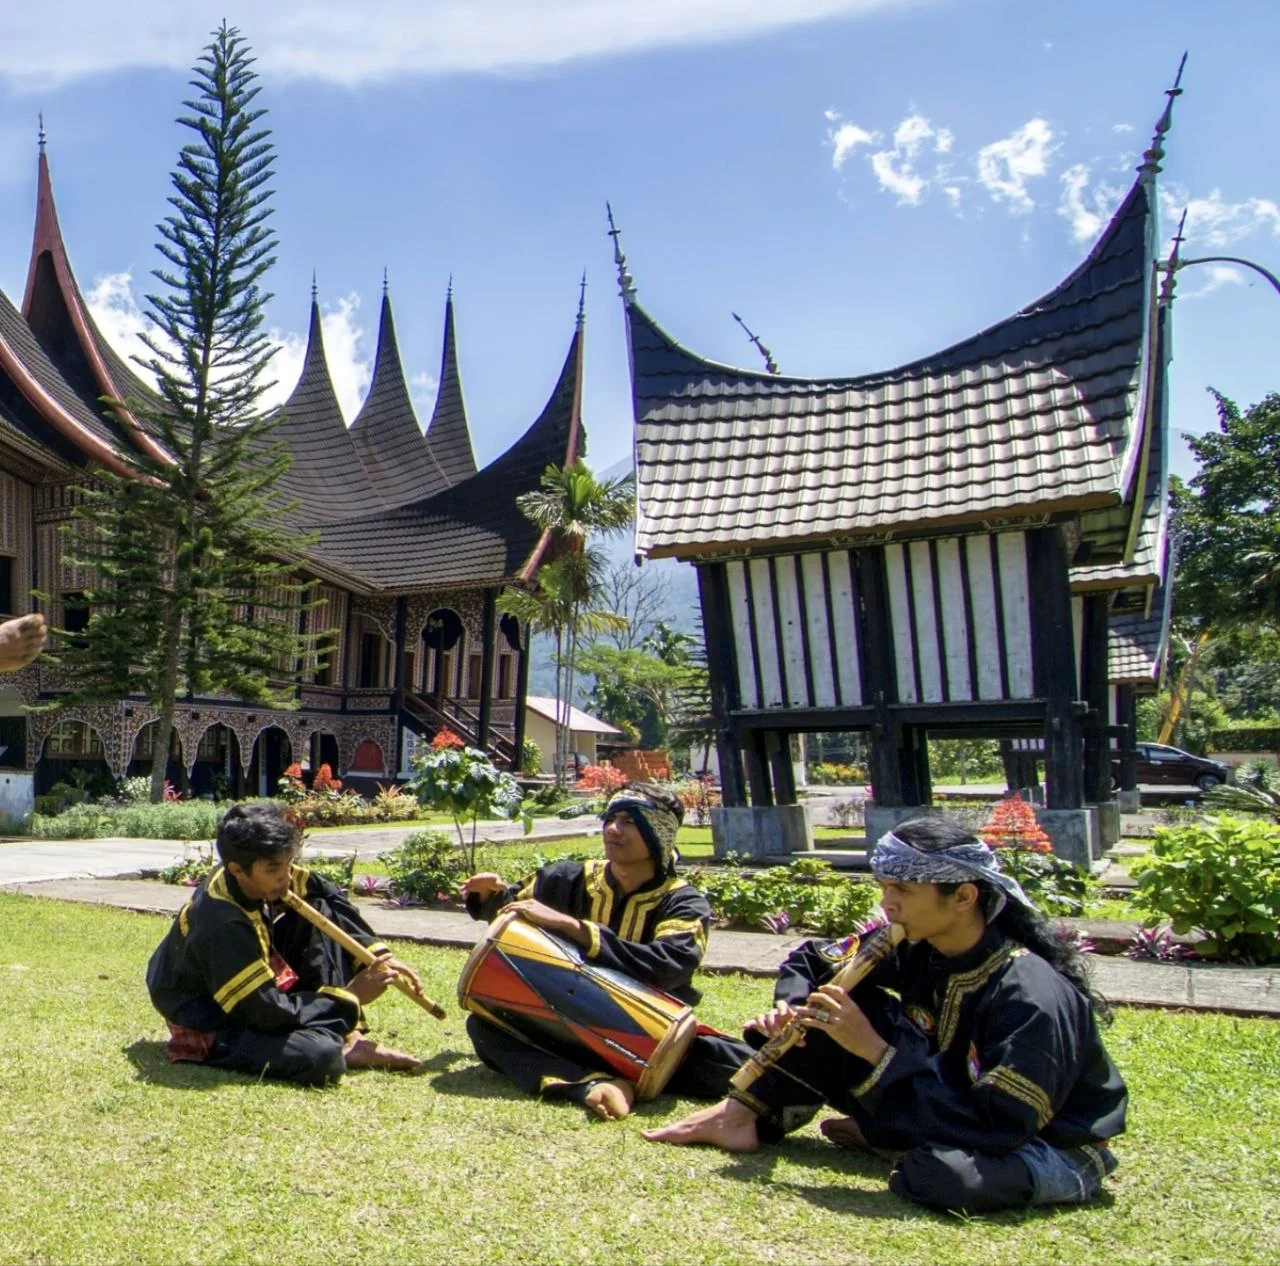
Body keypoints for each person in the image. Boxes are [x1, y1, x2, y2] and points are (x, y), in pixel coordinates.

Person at [644, 817, 1128, 1214]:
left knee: (941, 1177)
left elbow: (1001, 1125)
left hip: (1043, 1142)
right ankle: (745, 1117)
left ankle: (890, 1132)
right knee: (830, 1005)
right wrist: (790, 1006)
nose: (886, 904)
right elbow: (811, 960)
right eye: (883, 887)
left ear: (963, 897)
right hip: (949, 1098)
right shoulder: (915, 942)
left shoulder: (1030, 994)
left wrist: (872, 1049)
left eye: (901, 889)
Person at [461, 782, 736, 1120]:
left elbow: (668, 966)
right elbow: (510, 910)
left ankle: (609, 1075)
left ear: (659, 833)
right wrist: (490, 894)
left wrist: (573, 928)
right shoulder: (566, 878)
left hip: (650, 1034)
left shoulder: (682, 902)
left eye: (630, 821)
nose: (613, 829)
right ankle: (594, 1085)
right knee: (485, 1028)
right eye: (610, 817)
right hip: (563, 1025)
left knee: (738, 1064)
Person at [146, 801, 422, 1086]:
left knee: (319, 908)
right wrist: (350, 997)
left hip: (257, 990)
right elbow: (266, 1013)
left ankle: (344, 1036)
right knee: (321, 1057)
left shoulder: (261, 871)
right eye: (275, 869)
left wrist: (376, 953)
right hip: (213, 1014)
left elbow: (324, 892)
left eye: (289, 864)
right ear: (237, 870)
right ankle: (338, 1039)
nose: (287, 877)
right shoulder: (220, 924)